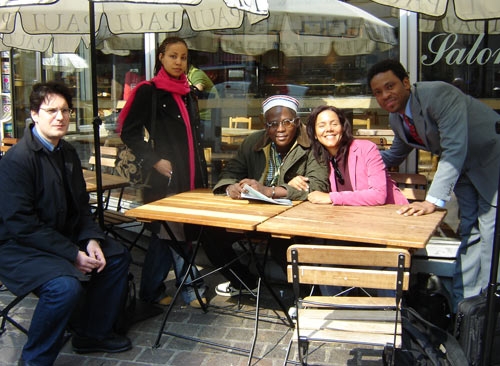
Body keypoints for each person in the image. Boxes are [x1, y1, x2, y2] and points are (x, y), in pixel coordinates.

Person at [0, 81, 132, 365]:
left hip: (61, 237)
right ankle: (34, 360)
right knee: (64, 287)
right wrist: (72, 254)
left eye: (65, 110)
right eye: (51, 110)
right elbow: (21, 224)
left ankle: (91, 333)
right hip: (18, 247)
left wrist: (91, 239)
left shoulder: (67, 152)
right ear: (34, 115)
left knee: (118, 256)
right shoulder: (17, 160)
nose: (60, 117)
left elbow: (81, 206)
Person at [367, 59, 500, 311]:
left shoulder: (438, 94)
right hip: (463, 171)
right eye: (378, 93)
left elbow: (454, 147)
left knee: (492, 234)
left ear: (406, 82)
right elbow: (395, 155)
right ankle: (466, 306)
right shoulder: (398, 119)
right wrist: (356, 159)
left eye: (390, 86)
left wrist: (433, 200)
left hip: (491, 159)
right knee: (471, 232)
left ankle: (489, 307)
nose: (385, 95)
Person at [203, 95, 329, 297]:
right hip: (254, 216)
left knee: (283, 243)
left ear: (297, 122)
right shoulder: (253, 142)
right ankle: (244, 282)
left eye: (286, 122)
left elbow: (318, 185)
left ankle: (307, 299)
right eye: (272, 124)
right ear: (265, 125)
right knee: (209, 235)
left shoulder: (312, 144)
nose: (279, 129)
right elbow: (229, 173)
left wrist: (271, 190)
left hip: (293, 220)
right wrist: (231, 187)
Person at [119, 37, 209, 308]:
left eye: (183, 57)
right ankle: (192, 288)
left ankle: (151, 290)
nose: (179, 61)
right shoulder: (150, 91)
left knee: (165, 234)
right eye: (173, 56)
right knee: (175, 231)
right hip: (167, 176)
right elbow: (129, 133)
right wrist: (155, 160)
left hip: (192, 174)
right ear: (161, 57)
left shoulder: (188, 92)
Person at [305, 105, 408, 206]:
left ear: (343, 127)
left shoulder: (367, 149)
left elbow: (378, 195)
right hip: (351, 217)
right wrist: (295, 181)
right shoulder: (319, 158)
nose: (329, 129)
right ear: (314, 133)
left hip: (392, 214)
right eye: (322, 126)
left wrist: (331, 197)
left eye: (334, 124)